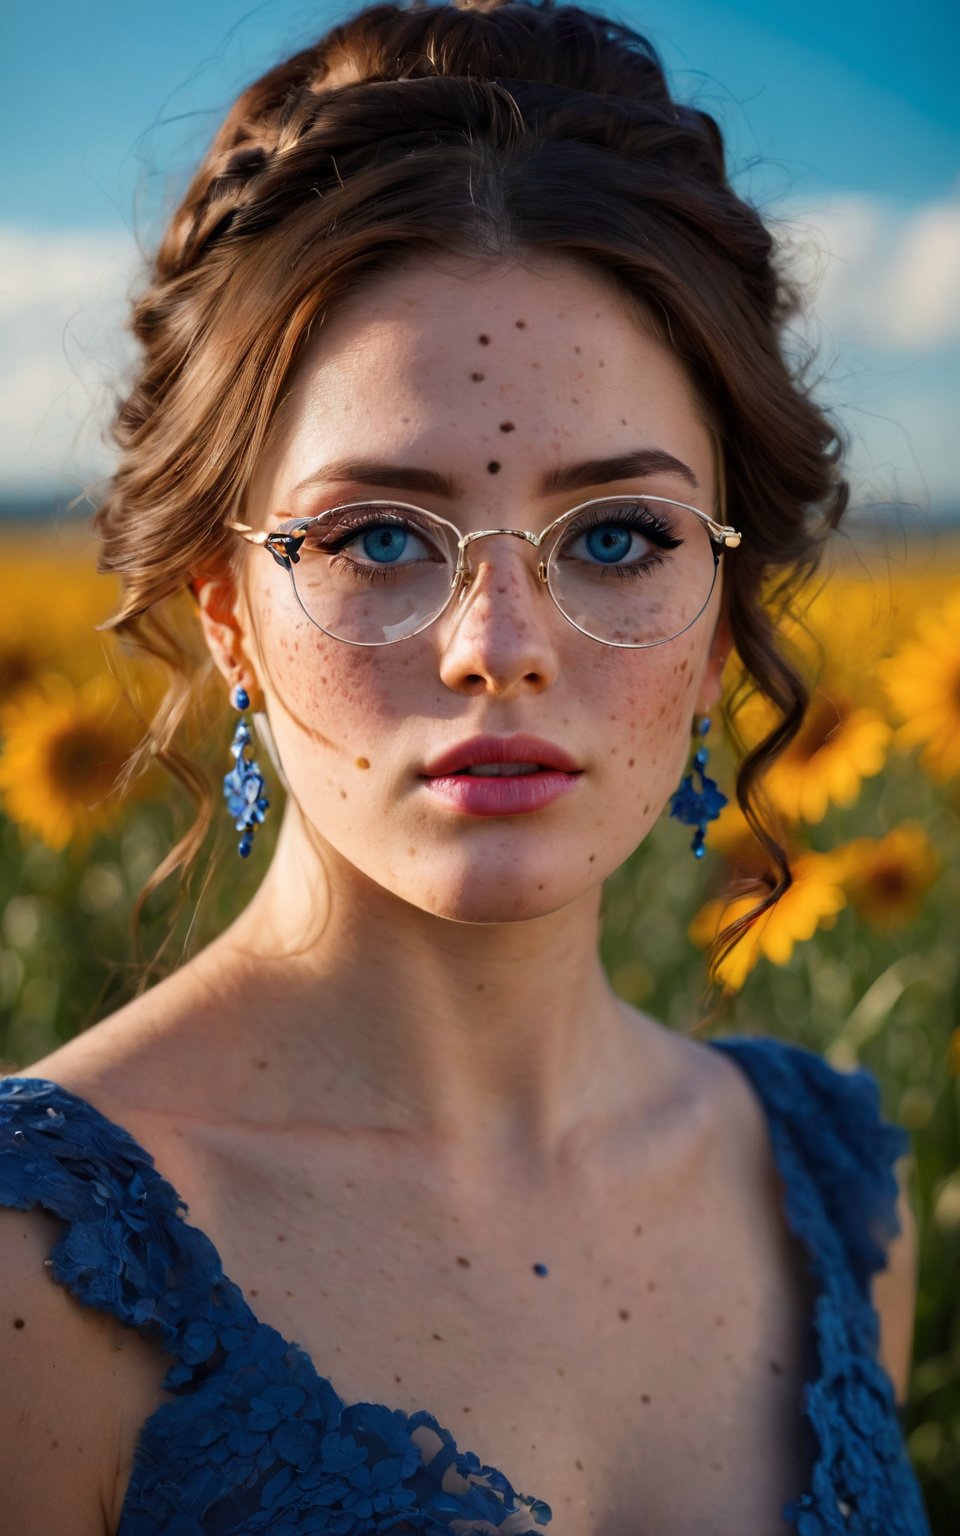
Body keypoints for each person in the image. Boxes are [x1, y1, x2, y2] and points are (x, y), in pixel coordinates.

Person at [0, 2, 930, 1532]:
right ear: (226, 613)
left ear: (718, 619)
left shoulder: (834, 1206)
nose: (499, 645)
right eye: (377, 536)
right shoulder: (38, 1274)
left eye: (619, 536)